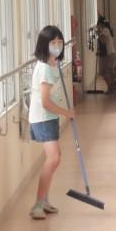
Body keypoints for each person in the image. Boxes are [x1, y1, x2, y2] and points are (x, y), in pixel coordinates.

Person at [28, 26, 75, 220]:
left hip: (49, 117)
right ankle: (38, 205)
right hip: (43, 117)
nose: (57, 45)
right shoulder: (45, 68)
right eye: (53, 42)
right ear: (44, 45)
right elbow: (45, 102)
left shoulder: (52, 64)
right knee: (53, 159)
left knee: (55, 158)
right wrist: (66, 113)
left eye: (60, 42)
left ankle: (44, 201)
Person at [97, 17, 116, 93]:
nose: (97, 26)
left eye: (98, 25)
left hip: (109, 54)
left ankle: (111, 87)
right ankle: (112, 87)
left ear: (101, 24)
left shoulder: (105, 30)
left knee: (105, 72)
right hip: (109, 53)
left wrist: (99, 34)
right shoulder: (106, 30)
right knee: (108, 71)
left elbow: (103, 41)